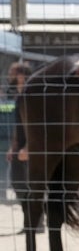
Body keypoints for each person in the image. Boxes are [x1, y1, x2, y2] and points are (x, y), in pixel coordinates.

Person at [2, 61, 33, 201]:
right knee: (18, 182)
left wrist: (28, 147)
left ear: (21, 76)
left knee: (30, 182)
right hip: (19, 145)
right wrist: (12, 147)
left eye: (12, 73)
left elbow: (33, 124)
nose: (10, 77)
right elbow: (19, 125)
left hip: (31, 146)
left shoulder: (31, 96)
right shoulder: (18, 95)